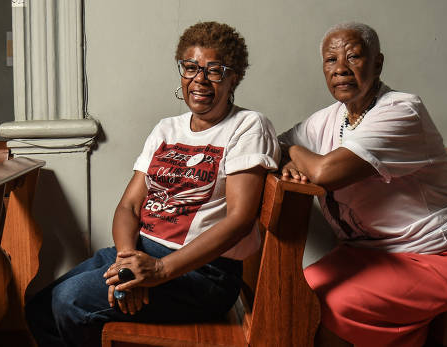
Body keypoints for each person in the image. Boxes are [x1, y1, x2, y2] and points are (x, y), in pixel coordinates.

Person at [26, 21, 280, 346]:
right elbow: (129, 205)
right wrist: (128, 260)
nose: (199, 79)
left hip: (203, 273)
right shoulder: (166, 129)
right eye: (190, 68)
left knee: (70, 302)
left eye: (214, 70)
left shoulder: (248, 126)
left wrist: (159, 271)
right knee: (40, 309)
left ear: (234, 77)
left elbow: (239, 220)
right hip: (140, 252)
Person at [278, 22, 447, 347]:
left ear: (377, 63)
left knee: (341, 301)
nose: (341, 69)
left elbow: (325, 172)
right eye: (330, 60)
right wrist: (288, 154)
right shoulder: (327, 119)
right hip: (371, 254)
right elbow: (271, 146)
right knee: (296, 291)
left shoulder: (402, 111)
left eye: (353, 57)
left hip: (443, 255)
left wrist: (294, 152)